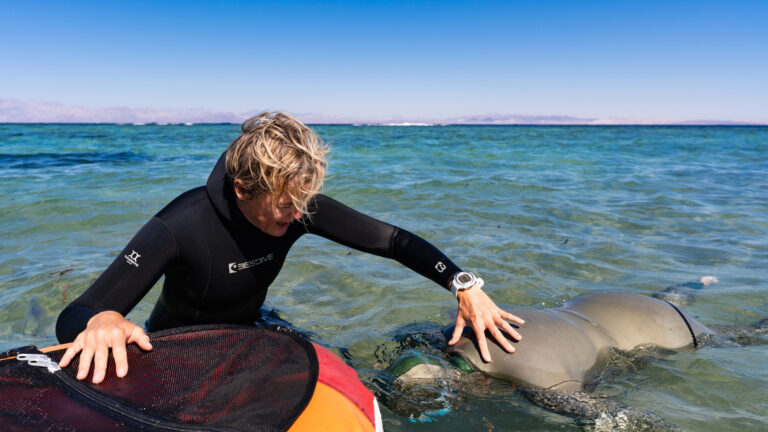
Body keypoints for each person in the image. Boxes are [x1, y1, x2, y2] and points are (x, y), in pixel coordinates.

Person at [56, 112, 524, 384]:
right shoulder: (182, 224)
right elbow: (81, 310)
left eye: (301, 201)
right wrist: (103, 321)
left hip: (255, 330)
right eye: (283, 206)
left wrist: (463, 284)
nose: (297, 215)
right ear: (241, 188)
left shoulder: (297, 205)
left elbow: (393, 240)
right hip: (181, 350)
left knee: (356, 372)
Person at [377, 277, 766, 430]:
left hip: (658, 329)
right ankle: (685, 289)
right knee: (680, 309)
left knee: (739, 338)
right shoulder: (446, 335)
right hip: (596, 304)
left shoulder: (539, 382)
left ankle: (679, 297)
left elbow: (622, 418)